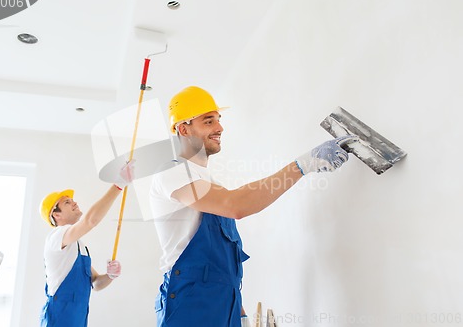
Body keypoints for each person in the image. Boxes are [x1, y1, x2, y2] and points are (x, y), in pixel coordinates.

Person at [150, 86, 357, 327]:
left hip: (224, 303)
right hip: (189, 303)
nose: (219, 128)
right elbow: (236, 205)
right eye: (208, 121)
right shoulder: (172, 171)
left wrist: (240, 314)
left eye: (218, 120)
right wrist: (304, 164)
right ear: (183, 129)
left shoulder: (210, 184)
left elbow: (222, 273)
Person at [39, 161, 134, 327]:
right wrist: (118, 185)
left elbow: (96, 283)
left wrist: (109, 276)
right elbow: (91, 220)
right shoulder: (56, 237)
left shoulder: (78, 246)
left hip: (78, 319)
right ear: (56, 215)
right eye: (67, 202)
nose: (74, 202)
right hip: (59, 319)